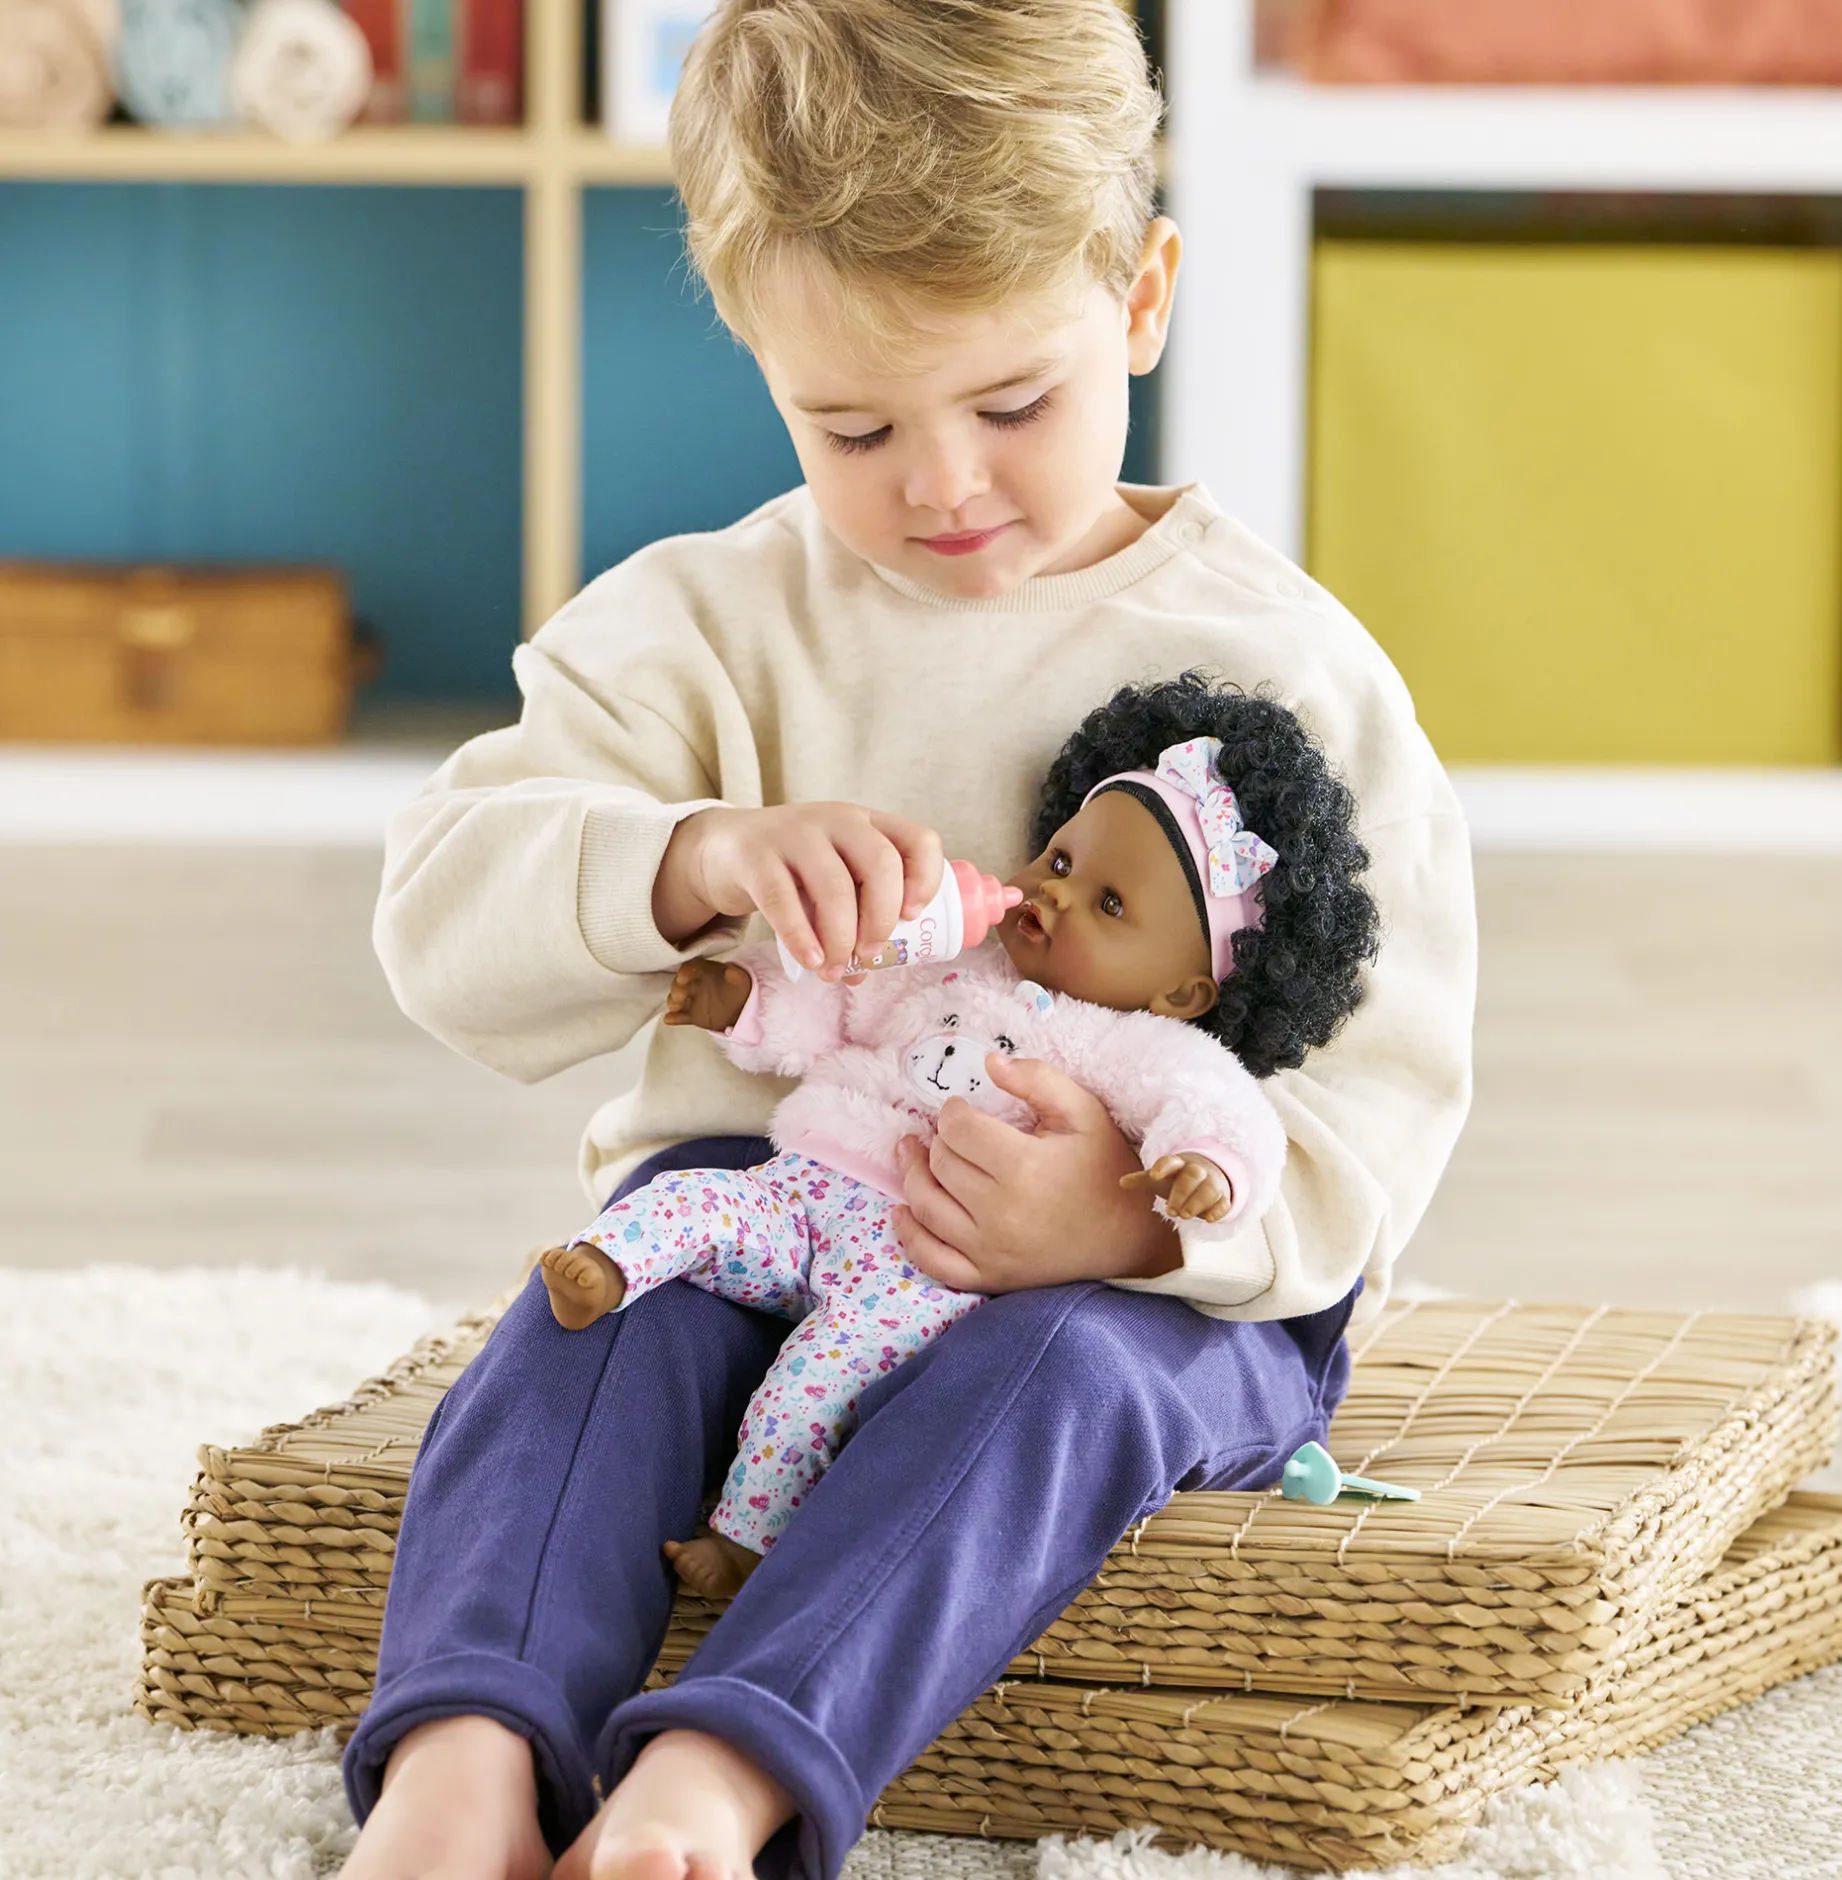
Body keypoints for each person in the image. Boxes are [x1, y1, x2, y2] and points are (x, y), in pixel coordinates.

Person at [336, 4, 1477, 1879]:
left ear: (1143, 298)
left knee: (1055, 1375)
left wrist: (1126, 1217)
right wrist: (688, 860)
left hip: (1151, 1292)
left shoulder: (1291, 668)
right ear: (761, 360)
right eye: (852, 424)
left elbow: (1391, 1078)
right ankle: (466, 1758)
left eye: (1012, 406)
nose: (941, 484)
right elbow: (442, 913)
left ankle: (718, 1781)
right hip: (778, 1195)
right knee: (600, 1311)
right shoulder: (707, 624)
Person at [540, 684, 1379, 1599]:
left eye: (1107, 904)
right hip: (805, 1187)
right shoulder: (946, 959)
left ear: (1182, 991)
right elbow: (838, 1002)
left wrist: (1205, 1168)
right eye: (1060, 860)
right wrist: (741, 1000)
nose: (1054, 894)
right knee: (692, 1199)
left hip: (921, 1264)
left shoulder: (1137, 1045)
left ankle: (747, 1537)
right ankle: (609, 1265)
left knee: (814, 1381)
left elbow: (1218, 1108)